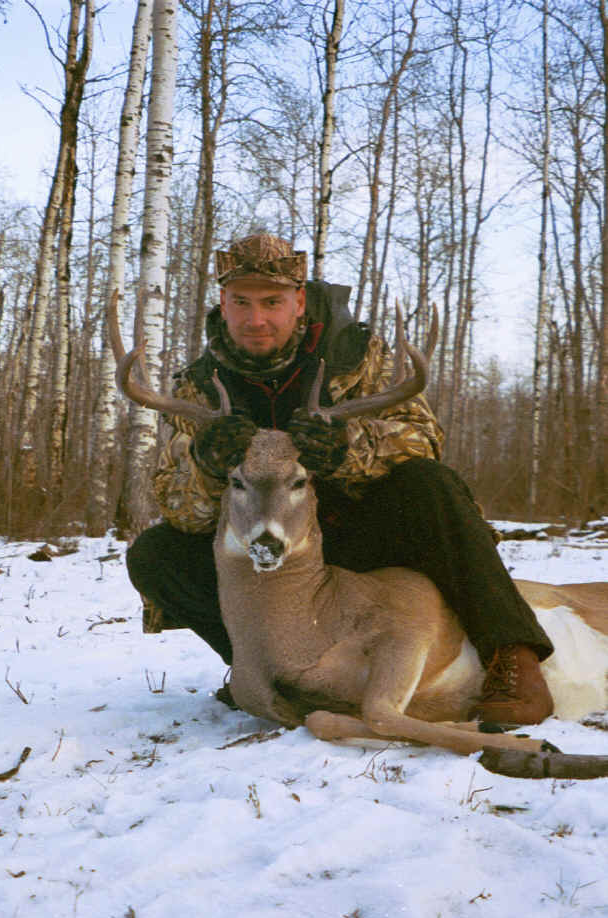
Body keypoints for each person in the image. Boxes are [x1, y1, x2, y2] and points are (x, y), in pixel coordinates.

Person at [126, 233, 554, 727]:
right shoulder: (196, 386)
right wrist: (207, 462)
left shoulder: (355, 355)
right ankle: (269, 669)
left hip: (361, 534)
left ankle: (512, 654)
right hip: (271, 549)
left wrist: (349, 448)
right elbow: (181, 508)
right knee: (155, 554)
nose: (255, 319)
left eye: (272, 302)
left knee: (430, 485)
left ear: (300, 300)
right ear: (223, 303)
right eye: (240, 302)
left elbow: (422, 439)